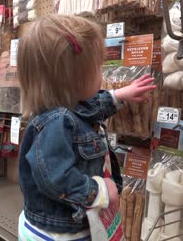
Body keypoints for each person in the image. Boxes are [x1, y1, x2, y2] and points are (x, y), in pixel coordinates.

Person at [17, 14, 156, 241]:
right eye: (99, 68)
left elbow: (91, 107)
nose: (103, 73)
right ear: (74, 79)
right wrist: (98, 192)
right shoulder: (56, 123)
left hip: (63, 224)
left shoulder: (68, 108)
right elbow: (56, 178)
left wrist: (119, 96)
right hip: (58, 233)